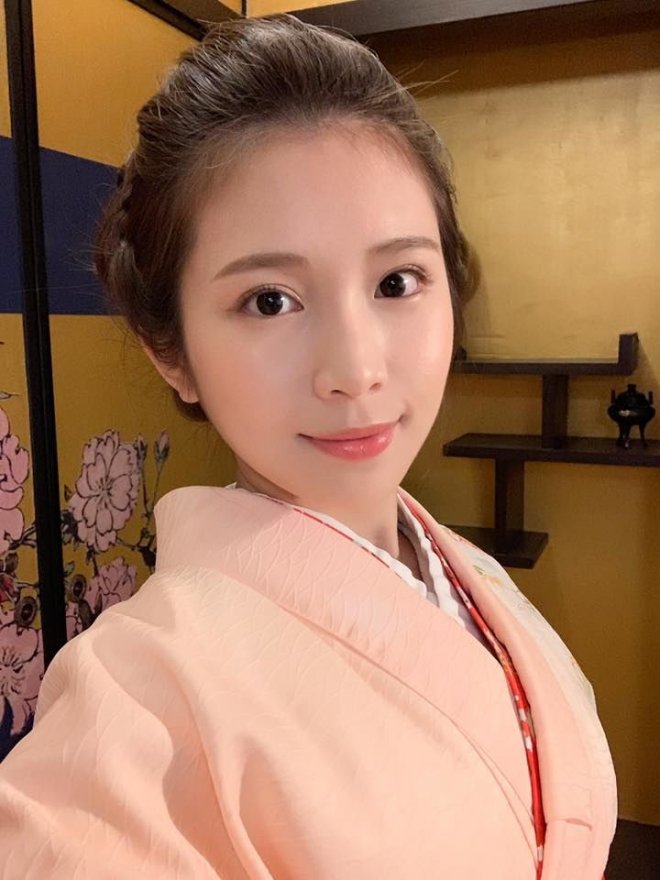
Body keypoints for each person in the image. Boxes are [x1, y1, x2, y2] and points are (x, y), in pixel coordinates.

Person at [0, 14, 616, 879]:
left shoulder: (470, 577)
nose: (356, 371)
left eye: (397, 281)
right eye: (270, 300)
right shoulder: (141, 695)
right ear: (171, 350)